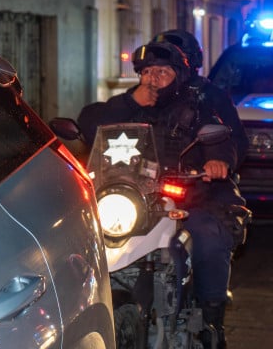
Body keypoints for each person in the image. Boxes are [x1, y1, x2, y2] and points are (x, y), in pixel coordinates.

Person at [77, 41, 246, 349]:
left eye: (162, 72)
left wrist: (219, 160)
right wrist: (130, 101)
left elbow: (223, 139)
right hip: (135, 196)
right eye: (147, 72)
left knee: (209, 235)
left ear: (179, 75)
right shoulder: (127, 104)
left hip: (191, 195)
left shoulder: (199, 105)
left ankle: (211, 321)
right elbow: (90, 123)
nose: (153, 79)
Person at [151, 29, 249, 167]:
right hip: (143, 180)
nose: (164, 66)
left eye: (174, 58)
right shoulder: (141, 95)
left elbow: (236, 139)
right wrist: (130, 102)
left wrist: (220, 162)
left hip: (196, 180)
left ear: (191, 61)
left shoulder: (211, 96)